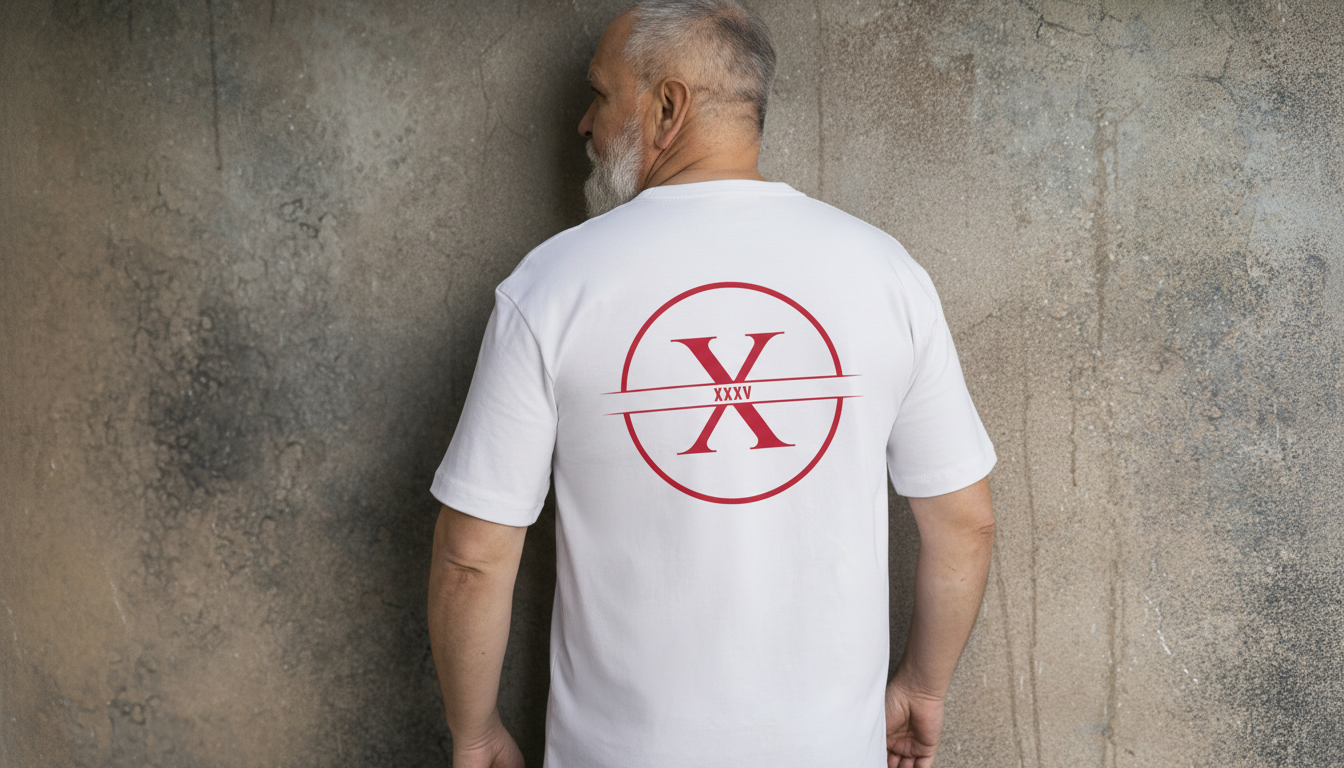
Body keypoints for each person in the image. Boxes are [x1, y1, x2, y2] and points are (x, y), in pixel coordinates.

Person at [426, 2, 997, 767]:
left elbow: (473, 555)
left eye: (601, 93)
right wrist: (924, 688)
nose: (585, 125)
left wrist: (475, 731)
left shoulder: (553, 285)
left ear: (667, 107)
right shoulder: (885, 273)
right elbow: (965, 523)